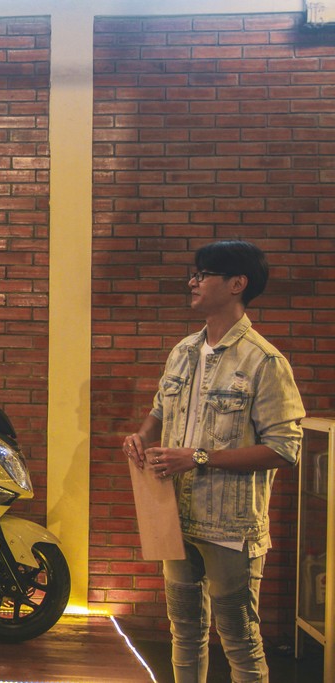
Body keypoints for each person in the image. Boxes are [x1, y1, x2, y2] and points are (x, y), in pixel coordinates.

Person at [123, 240, 305, 683]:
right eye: (195, 273)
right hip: (174, 517)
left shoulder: (264, 361)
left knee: (240, 641)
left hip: (230, 528)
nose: (193, 281)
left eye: (203, 274)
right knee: (184, 633)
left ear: (237, 284)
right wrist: (142, 437)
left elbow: (285, 448)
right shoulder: (184, 350)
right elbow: (160, 409)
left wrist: (199, 458)